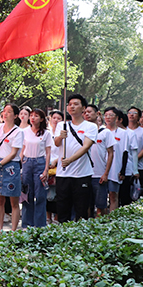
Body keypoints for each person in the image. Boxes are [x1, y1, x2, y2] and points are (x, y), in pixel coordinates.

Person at [53, 94, 97, 222]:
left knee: (81, 210)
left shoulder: (90, 126)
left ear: (83, 108)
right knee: (62, 209)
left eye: (76, 104)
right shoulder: (62, 125)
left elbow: (86, 147)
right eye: (70, 104)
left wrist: (70, 160)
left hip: (82, 174)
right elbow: (56, 143)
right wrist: (60, 137)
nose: (72, 106)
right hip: (63, 174)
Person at [0, 103, 23, 232]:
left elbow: (13, 153)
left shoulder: (18, 132)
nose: (5, 114)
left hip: (11, 165)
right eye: (4, 111)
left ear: (15, 116)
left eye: (9, 112)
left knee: (14, 201)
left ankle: (14, 230)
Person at [20, 108, 53, 228]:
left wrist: (46, 170)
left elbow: (48, 152)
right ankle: (27, 224)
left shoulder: (46, 133)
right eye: (31, 115)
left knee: (40, 195)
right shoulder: (24, 131)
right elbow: (22, 149)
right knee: (27, 195)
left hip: (40, 162)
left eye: (36, 116)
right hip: (27, 162)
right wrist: (20, 166)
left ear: (42, 119)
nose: (33, 118)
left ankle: (40, 225)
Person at [84, 104, 114, 218]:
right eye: (85, 112)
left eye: (89, 112)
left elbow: (111, 153)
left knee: (101, 204)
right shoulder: (82, 131)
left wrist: (106, 173)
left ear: (97, 114)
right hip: (84, 173)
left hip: (99, 174)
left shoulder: (105, 132)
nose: (87, 114)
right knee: (86, 205)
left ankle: (101, 225)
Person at [103, 107, 128, 213]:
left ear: (117, 118)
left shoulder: (123, 133)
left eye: (111, 115)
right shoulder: (100, 131)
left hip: (115, 168)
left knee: (113, 195)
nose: (108, 117)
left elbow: (125, 152)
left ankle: (112, 217)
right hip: (101, 168)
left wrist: (123, 171)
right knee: (101, 196)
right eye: (106, 115)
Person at [127, 107, 143, 196]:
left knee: (138, 192)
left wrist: (134, 160)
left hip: (139, 166)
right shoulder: (124, 131)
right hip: (125, 167)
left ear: (139, 117)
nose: (132, 115)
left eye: (135, 113)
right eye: (130, 112)